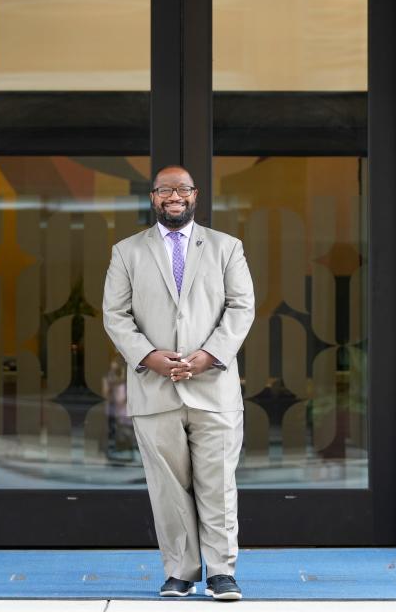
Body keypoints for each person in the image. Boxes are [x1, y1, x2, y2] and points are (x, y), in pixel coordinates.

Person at [102, 165, 255, 601]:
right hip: (155, 388)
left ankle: (222, 572)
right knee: (167, 488)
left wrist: (210, 356)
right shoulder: (126, 251)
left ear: (195, 194)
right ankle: (181, 571)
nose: (175, 196)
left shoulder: (227, 248)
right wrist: (150, 358)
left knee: (218, 482)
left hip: (214, 389)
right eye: (165, 190)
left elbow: (242, 307)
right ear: (153, 197)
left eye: (182, 189)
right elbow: (116, 314)